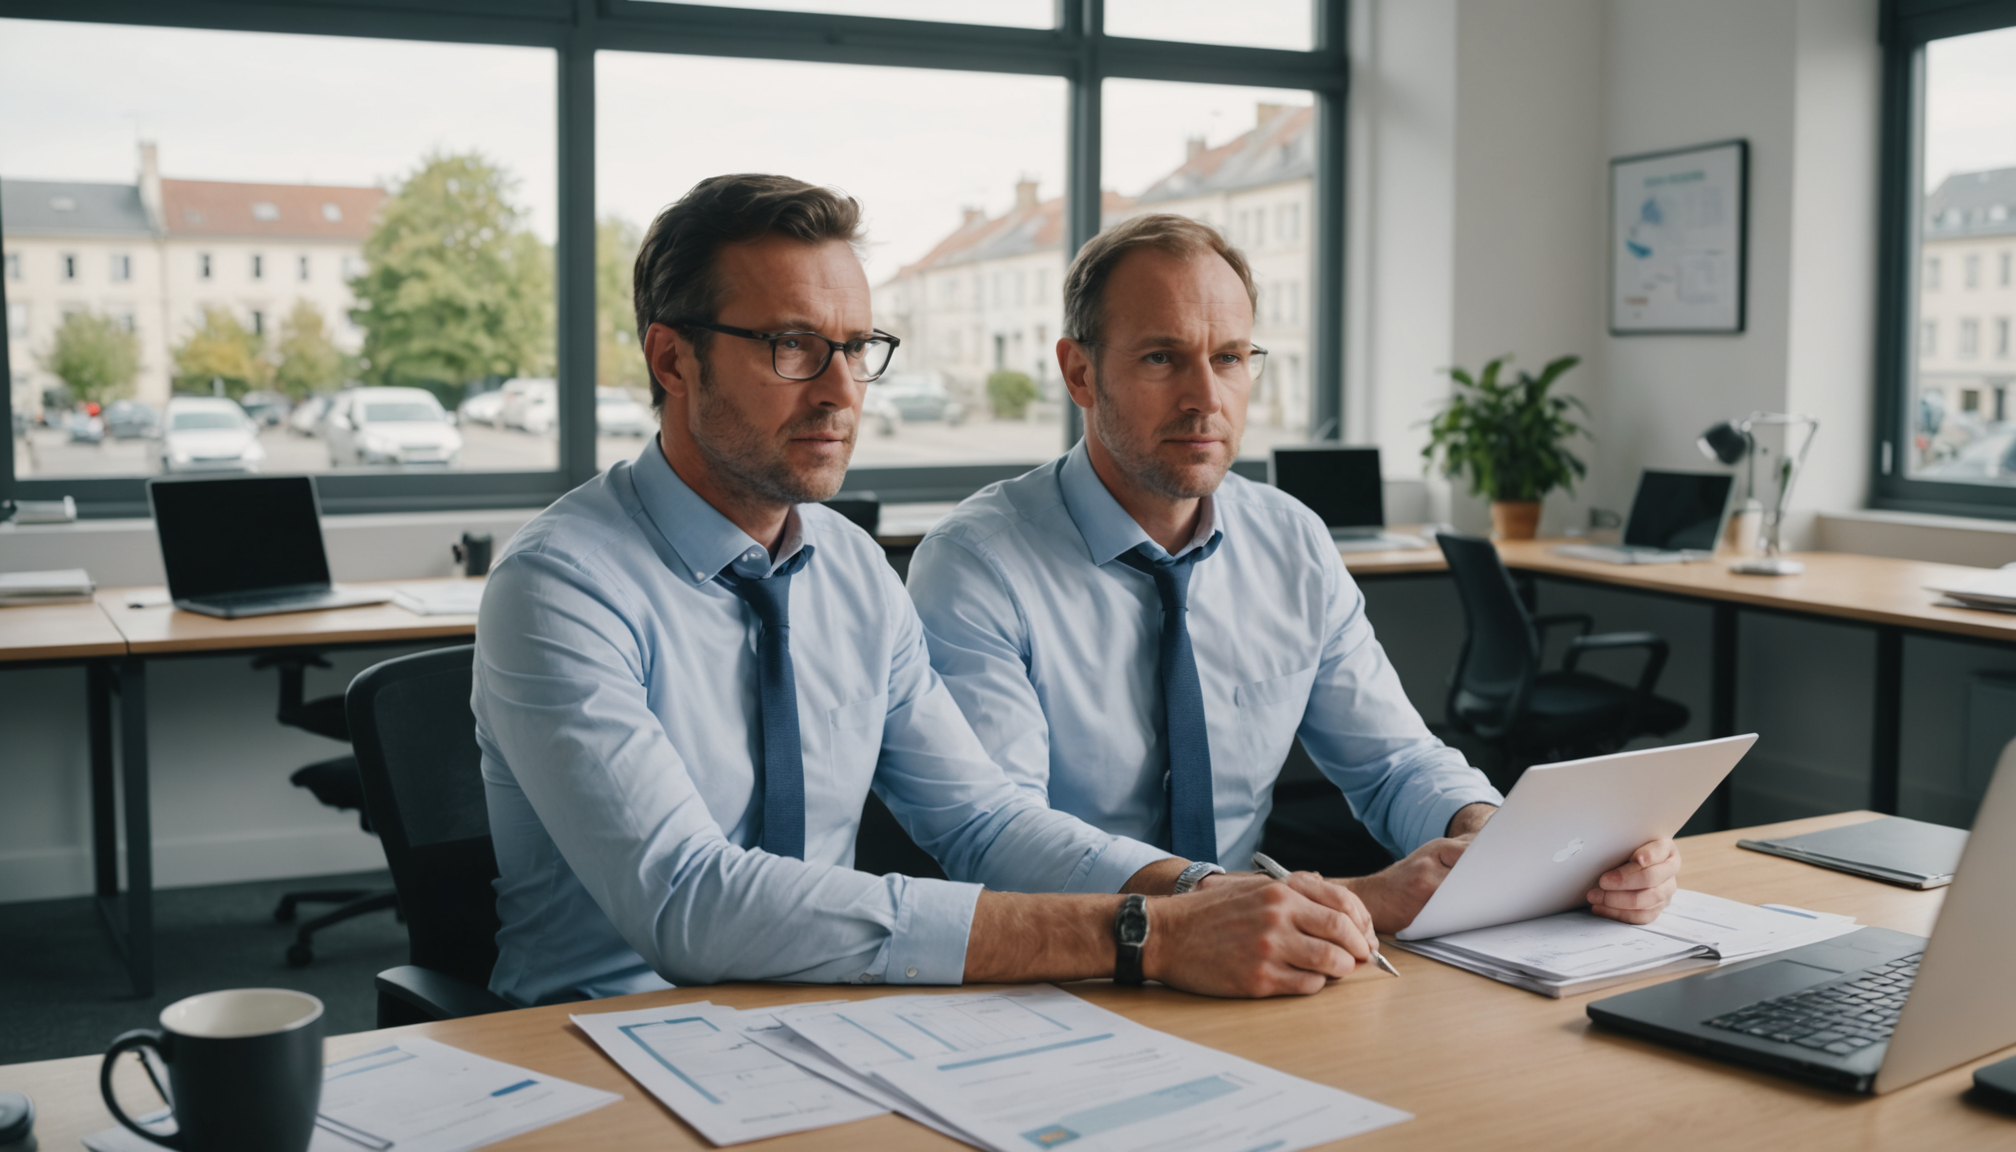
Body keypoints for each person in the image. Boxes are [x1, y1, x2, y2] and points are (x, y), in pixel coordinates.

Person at [472, 175, 1379, 1008]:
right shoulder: (559, 586)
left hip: (831, 1020)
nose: (840, 392)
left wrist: (1203, 893)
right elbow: (688, 900)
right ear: (672, 361)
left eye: (856, 348)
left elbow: (982, 822)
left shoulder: (853, 569)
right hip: (604, 1039)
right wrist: (1143, 933)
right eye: (792, 346)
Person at [906, 213, 1682, 934]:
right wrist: (1224, 904)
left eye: (1230, 358)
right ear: (1079, 374)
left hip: (1260, 945)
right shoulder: (977, 563)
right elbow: (997, 832)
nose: (1206, 398)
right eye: (1161, 358)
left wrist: (1495, 838)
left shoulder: (1290, 540)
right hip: (1073, 956)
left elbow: (1393, 762)